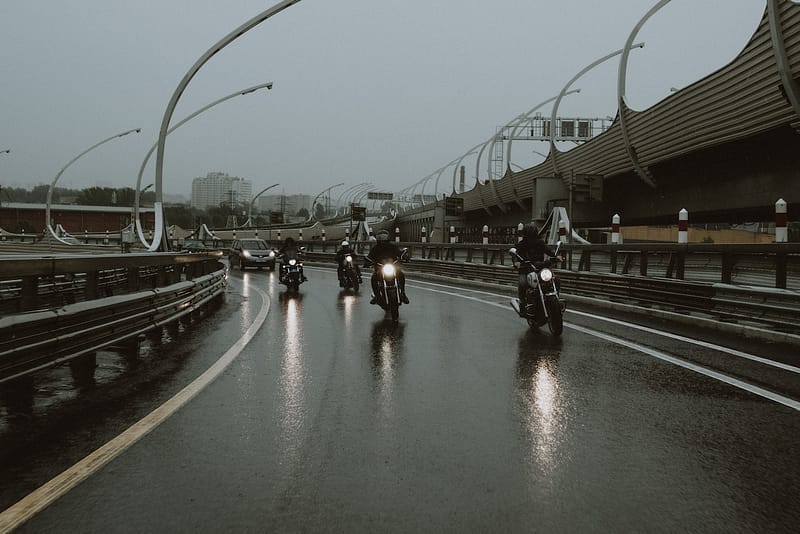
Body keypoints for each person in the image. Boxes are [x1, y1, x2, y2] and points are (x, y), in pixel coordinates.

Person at [513, 223, 560, 314]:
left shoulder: (540, 243)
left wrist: (556, 256)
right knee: (523, 282)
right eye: (530, 235)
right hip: (526, 269)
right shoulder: (521, 245)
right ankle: (522, 303)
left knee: (556, 279)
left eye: (533, 235)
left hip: (540, 269)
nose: (532, 238)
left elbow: (548, 250)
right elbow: (516, 254)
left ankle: (556, 299)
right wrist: (516, 262)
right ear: (526, 235)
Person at [365, 230, 409, 304]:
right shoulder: (375, 248)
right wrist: (367, 262)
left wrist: (404, 256)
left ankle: (403, 293)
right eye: (381, 238)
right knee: (374, 278)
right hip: (380, 268)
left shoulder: (392, 246)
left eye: (384, 237)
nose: (383, 240)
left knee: (401, 275)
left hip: (393, 267)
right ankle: (377, 296)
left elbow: (399, 253)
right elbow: (370, 257)